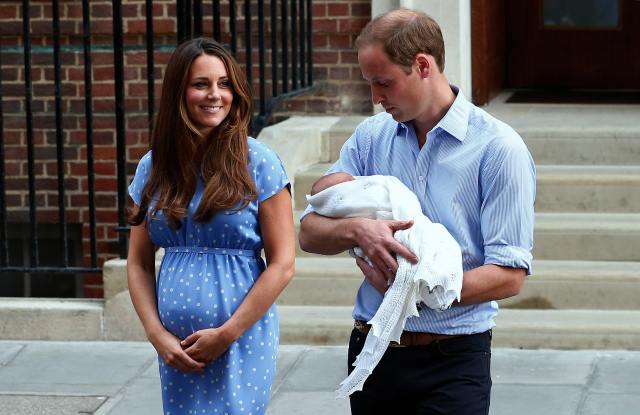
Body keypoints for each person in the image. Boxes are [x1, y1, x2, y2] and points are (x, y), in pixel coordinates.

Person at [299, 8, 536, 415]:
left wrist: (415, 287)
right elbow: (309, 231)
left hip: (454, 359)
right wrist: (358, 230)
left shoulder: (499, 148)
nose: (375, 97)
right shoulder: (371, 137)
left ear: (422, 65)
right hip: (373, 348)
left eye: (382, 82)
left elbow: (510, 274)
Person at [126, 37, 295, 415]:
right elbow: (137, 262)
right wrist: (157, 335)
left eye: (224, 84)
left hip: (239, 339)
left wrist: (228, 333)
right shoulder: (153, 167)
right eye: (201, 84)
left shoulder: (259, 162)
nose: (215, 95)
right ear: (179, 92)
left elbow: (283, 263)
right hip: (176, 347)